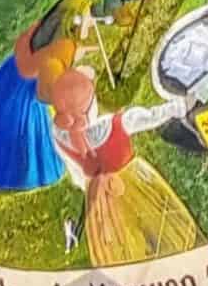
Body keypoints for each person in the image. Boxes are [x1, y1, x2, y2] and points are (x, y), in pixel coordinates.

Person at [48, 66, 197, 265]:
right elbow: (154, 116)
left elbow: (76, 174)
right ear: (91, 106)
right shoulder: (119, 122)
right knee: (152, 214)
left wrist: (92, 188)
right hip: (132, 180)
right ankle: (160, 251)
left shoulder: (59, 136)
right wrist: (182, 105)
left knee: (119, 236)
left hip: (100, 196)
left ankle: (137, 262)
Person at [0, 0, 90, 192]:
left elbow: (30, 60)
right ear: (75, 22)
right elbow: (46, 94)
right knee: (30, 157)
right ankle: (20, 175)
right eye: (87, 17)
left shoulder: (41, 30)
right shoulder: (63, 48)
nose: (90, 22)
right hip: (16, 106)